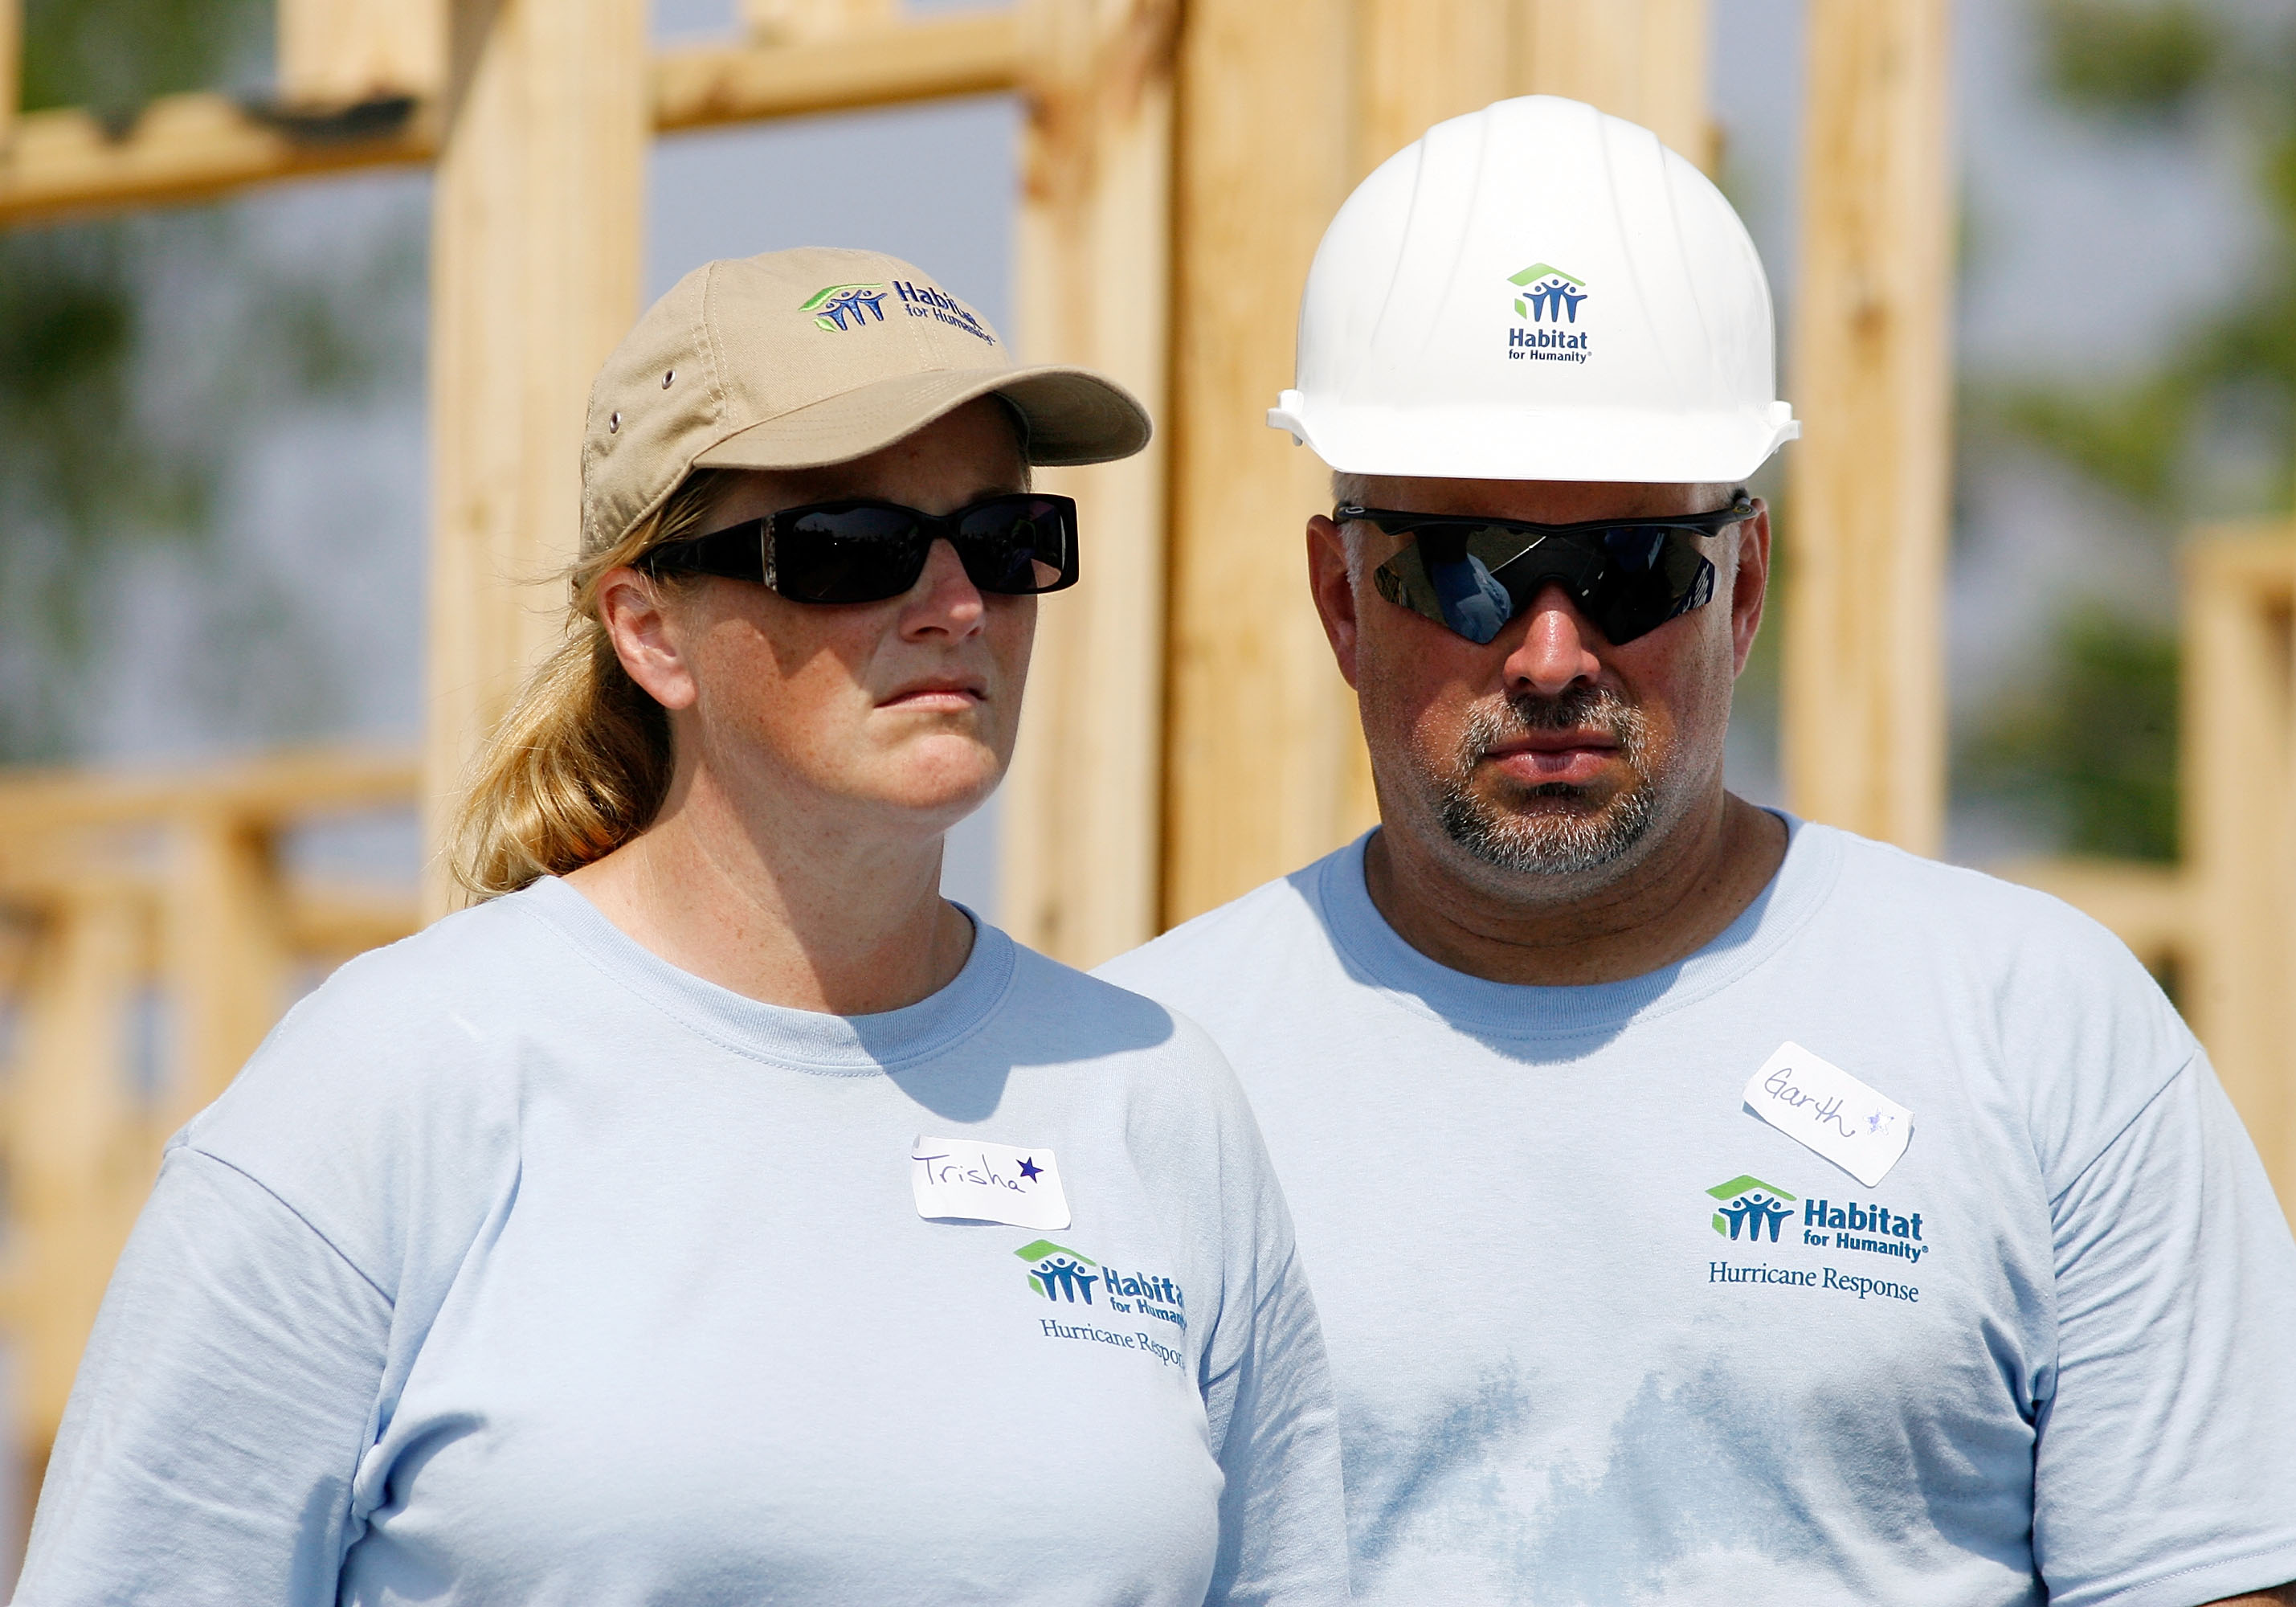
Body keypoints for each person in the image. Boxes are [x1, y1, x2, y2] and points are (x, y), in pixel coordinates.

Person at [1098, 97, 2296, 1607]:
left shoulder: (2034, 1027)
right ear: (1339, 593)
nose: (1547, 653)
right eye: (1461, 569)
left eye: (1633, 569)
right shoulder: (1148, 1086)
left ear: (1744, 587)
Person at [16, 247, 1348, 1605]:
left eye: (1011, 544)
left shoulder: (1152, 1102)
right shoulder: (391, 1089)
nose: (955, 605)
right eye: (853, 549)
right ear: (649, 630)